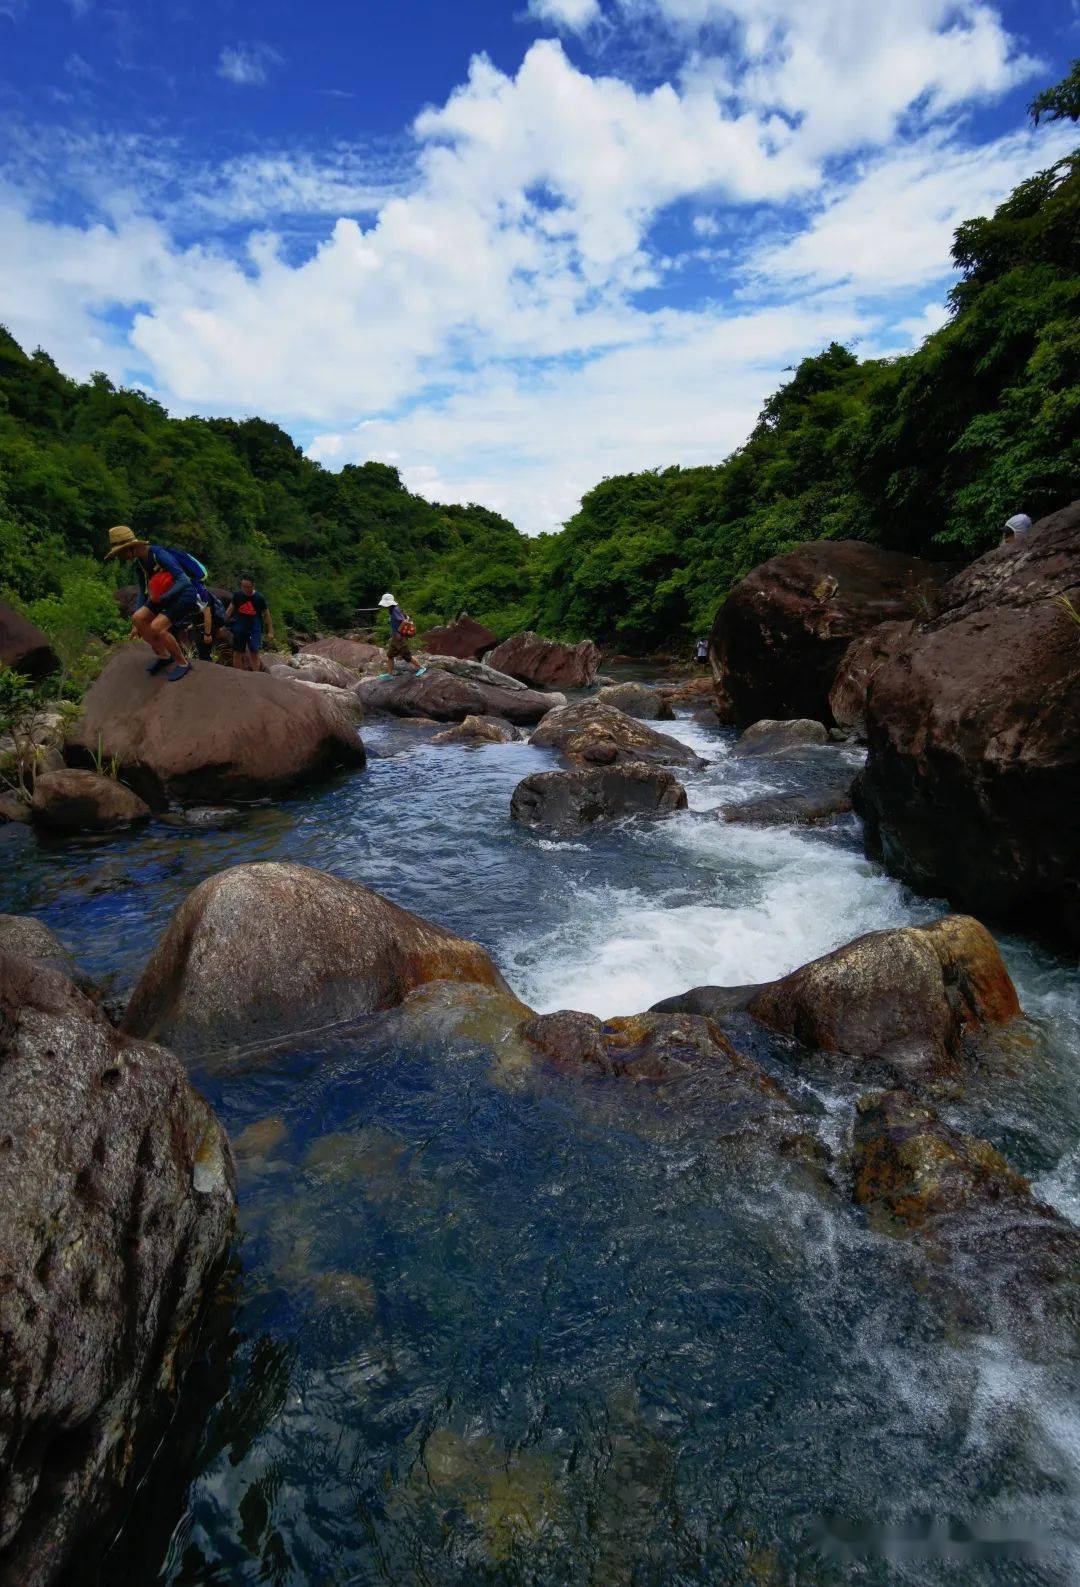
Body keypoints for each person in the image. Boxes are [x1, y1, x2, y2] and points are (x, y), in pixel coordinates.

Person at [104, 524, 200, 681]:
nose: (121, 557)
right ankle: (164, 656)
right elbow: (143, 592)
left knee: (157, 627)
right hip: (161, 596)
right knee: (138, 618)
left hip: (183, 594)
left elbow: (184, 580)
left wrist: (163, 599)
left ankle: (182, 663)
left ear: (131, 548)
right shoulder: (139, 564)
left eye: (121, 553)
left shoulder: (158, 554)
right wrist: (137, 621)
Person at [226, 576, 273, 671]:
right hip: (239, 626)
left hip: (254, 628)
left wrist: (270, 630)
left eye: (248, 587)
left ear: (253, 586)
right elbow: (229, 610)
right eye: (243, 586)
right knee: (237, 651)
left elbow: (267, 615)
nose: (245, 589)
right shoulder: (237, 595)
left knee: (254, 651)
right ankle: (237, 673)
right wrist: (222, 623)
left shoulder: (259, 598)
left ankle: (255, 675)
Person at [378, 592, 426, 677]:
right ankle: (390, 674)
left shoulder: (395, 609)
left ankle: (421, 668)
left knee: (406, 655)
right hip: (395, 638)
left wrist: (399, 632)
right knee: (390, 655)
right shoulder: (391, 609)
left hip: (399, 638)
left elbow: (404, 621)